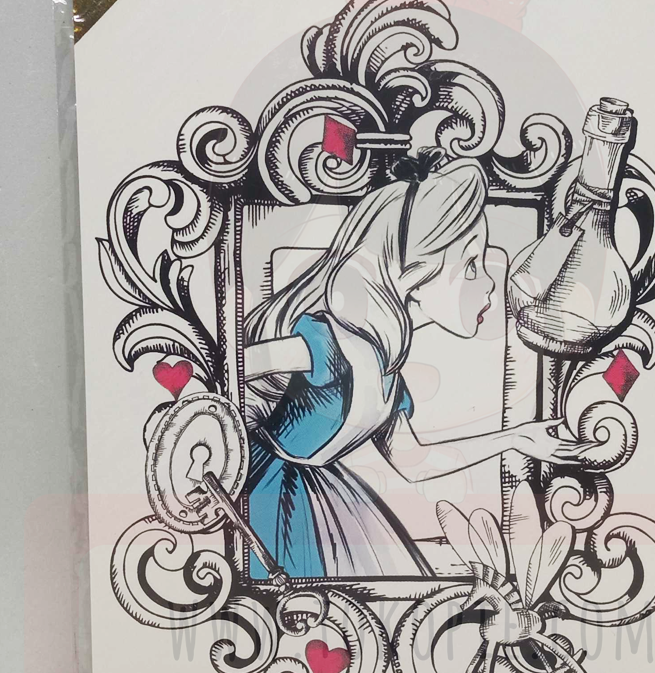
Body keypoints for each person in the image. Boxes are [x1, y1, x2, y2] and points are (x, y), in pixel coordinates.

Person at [242, 148, 585, 579]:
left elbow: (416, 462)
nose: (487, 283)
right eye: (471, 265)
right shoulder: (327, 344)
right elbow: (235, 367)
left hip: (326, 497)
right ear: (416, 272)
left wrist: (517, 438)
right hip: (270, 494)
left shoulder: (388, 374)